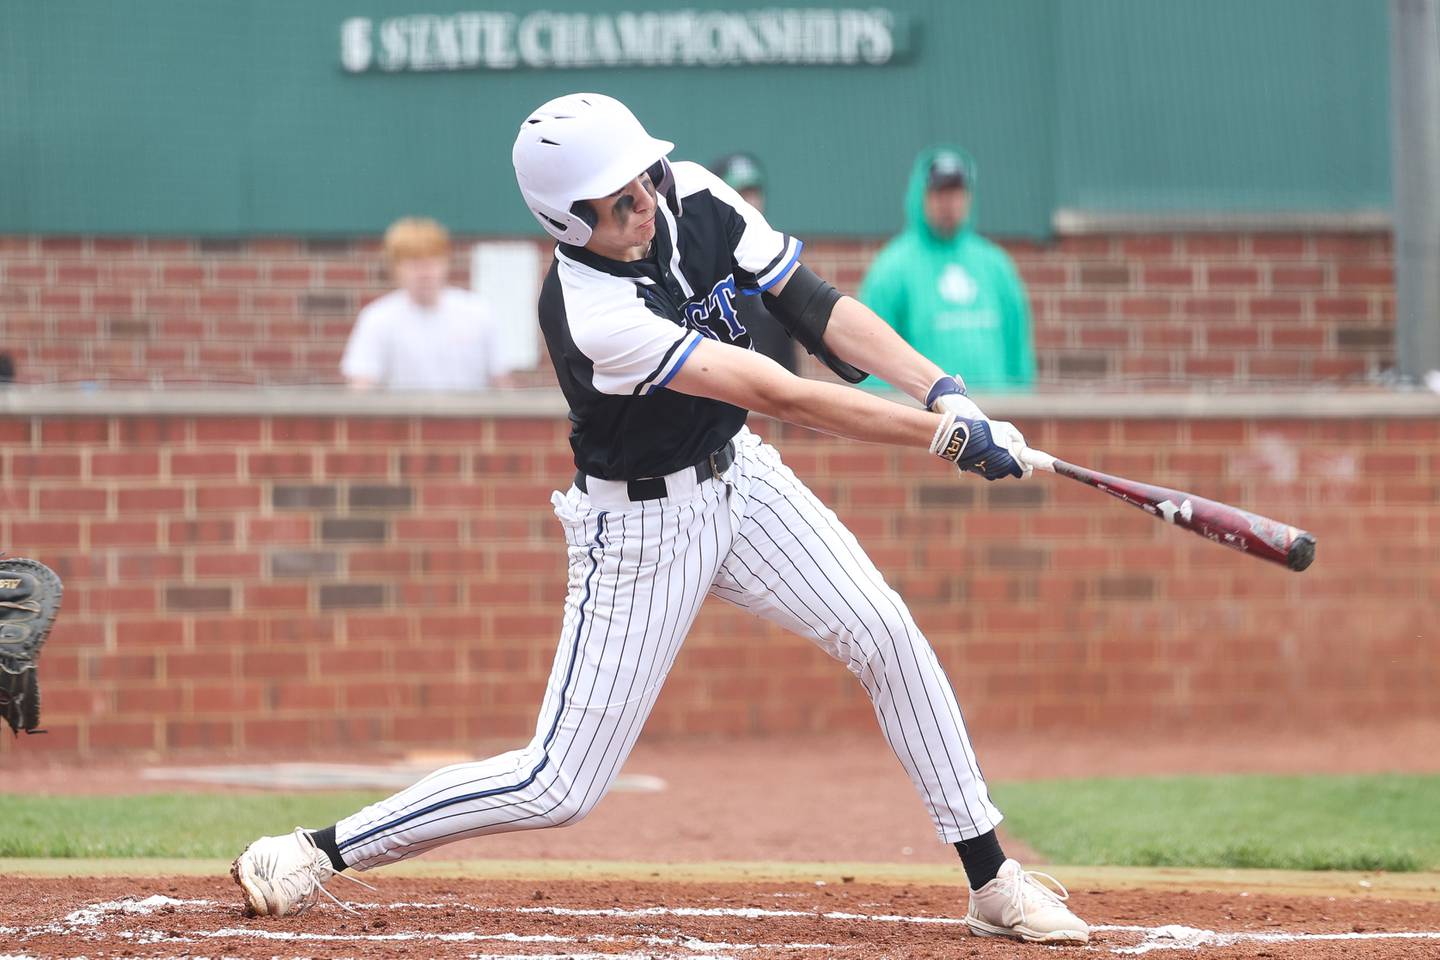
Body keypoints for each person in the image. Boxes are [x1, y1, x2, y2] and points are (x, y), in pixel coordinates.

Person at [232, 93, 1088, 947]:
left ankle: (993, 880)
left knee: (886, 632)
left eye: (641, 177)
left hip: (742, 482)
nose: (644, 198)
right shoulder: (591, 313)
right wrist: (942, 438)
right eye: (617, 197)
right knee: (557, 785)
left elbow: (813, 306)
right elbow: (776, 392)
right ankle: (314, 851)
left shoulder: (695, 193)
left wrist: (944, 390)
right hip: (641, 531)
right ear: (568, 221)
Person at [860, 147, 1036, 392]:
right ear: (920, 196)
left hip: (994, 418)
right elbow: (871, 356)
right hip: (928, 420)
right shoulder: (892, 270)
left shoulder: (995, 266)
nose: (949, 204)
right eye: (939, 194)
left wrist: (1022, 405)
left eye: (957, 193)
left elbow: (1018, 353)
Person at [340, 217, 510, 390]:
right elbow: (360, 387)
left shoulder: (479, 312)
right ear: (395, 268)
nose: (425, 273)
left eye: (432, 262)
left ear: (446, 262)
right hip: (404, 415)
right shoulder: (377, 318)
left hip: (470, 415)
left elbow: (502, 384)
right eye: (414, 264)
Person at [710, 152, 797, 373]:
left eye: (754, 192)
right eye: (740, 194)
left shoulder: (774, 256)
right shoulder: (700, 264)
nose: (751, 203)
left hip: (776, 396)